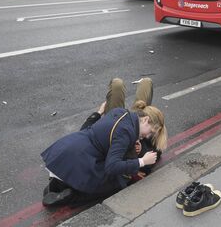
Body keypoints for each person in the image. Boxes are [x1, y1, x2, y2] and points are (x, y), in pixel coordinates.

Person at [41, 78, 167, 206]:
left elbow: (86, 131)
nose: (147, 135)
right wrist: (142, 161)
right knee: (118, 182)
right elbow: (111, 166)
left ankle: (54, 186)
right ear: (145, 120)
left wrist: (97, 113)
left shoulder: (119, 112)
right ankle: (72, 196)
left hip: (64, 152)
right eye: (150, 132)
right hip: (82, 162)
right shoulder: (126, 132)